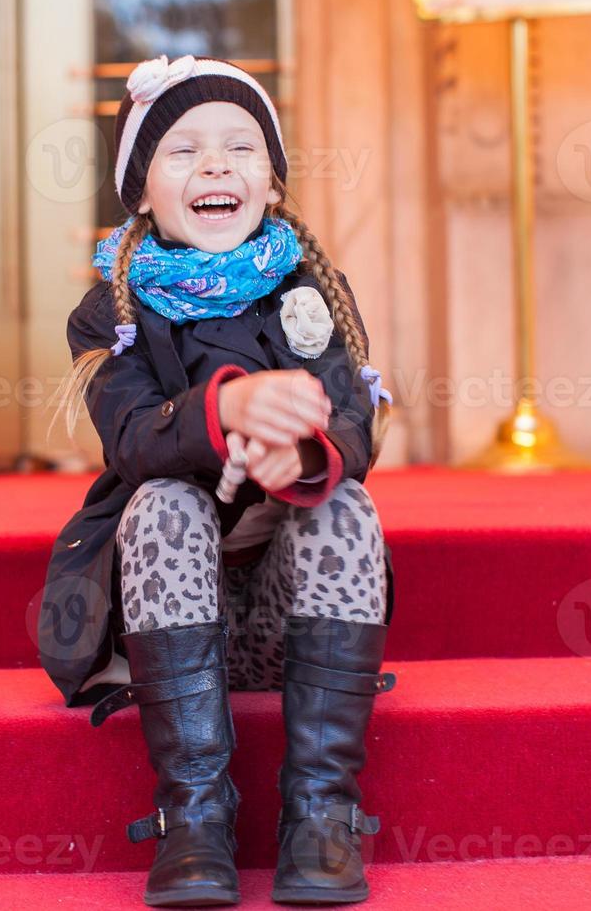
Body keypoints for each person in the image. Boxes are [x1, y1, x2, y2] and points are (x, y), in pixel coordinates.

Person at [41, 54, 397, 907]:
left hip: (284, 624)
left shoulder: (314, 294)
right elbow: (132, 439)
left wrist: (305, 457)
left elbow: (353, 420)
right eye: (182, 150)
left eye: (241, 147)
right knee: (162, 503)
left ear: (271, 184)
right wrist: (232, 411)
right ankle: (192, 815)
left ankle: (322, 812)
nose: (214, 164)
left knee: (344, 503)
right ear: (140, 192)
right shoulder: (112, 311)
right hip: (162, 631)